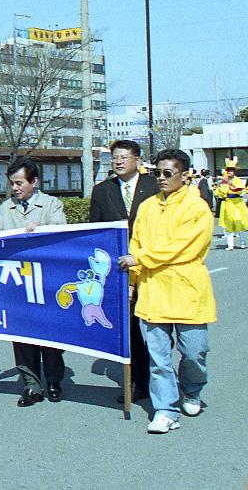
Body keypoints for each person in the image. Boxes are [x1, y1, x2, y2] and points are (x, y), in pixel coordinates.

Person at [118, 149, 216, 435]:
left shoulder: (198, 208)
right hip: (153, 292)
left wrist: (142, 259)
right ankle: (165, 409)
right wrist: (133, 282)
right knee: (159, 359)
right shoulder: (147, 207)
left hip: (187, 290)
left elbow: (185, 247)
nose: (160, 178)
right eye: (156, 173)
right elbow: (135, 245)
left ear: (184, 176)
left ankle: (192, 389)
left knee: (195, 353)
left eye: (167, 173)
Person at [0, 158, 68, 407]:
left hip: (45, 281)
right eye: (12, 183)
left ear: (34, 182)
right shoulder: (6, 208)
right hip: (17, 283)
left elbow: (62, 232)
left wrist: (42, 228)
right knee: (22, 336)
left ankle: (54, 379)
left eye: (19, 183)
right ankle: (31, 385)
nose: (14, 188)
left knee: (49, 334)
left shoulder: (51, 204)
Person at [88, 139, 158, 402]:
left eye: (124, 157)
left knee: (157, 328)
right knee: (128, 329)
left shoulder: (153, 186)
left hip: (152, 267)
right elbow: (95, 231)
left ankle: (159, 372)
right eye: (114, 157)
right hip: (119, 271)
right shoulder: (102, 190)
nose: (118, 161)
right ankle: (137, 382)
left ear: (137, 160)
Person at [213, 157, 248, 250]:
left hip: (236, 203)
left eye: (231, 170)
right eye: (228, 170)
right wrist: (219, 187)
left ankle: (242, 242)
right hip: (227, 203)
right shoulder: (224, 181)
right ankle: (230, 245)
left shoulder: (238, 180)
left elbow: (240, 190)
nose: (229, 172)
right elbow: (220, 193)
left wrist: (231, 184)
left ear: (234, 172)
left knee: (238, 222)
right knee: (228, 224)